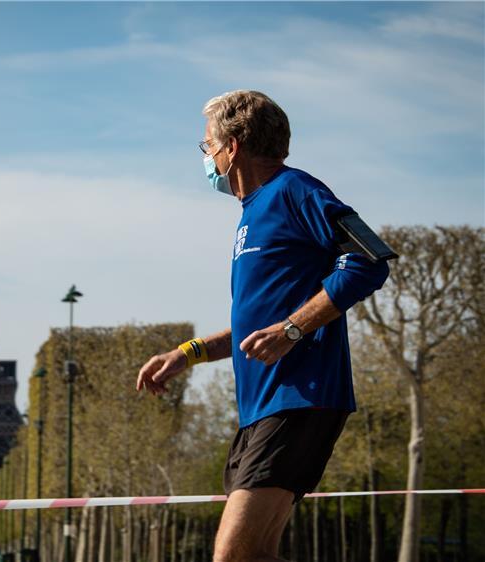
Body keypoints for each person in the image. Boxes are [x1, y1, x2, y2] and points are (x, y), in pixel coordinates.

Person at [135, 90, 390, 562]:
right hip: (263, 407)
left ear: (232, 147)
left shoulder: (295, 190)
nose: (206, 157)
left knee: (232, 555)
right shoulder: (252, 213)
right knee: (255, 554)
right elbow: (256, 330)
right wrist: (187, 353)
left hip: (298, 398)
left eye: (208, 145)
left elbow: (369, 260)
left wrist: (292, 330)